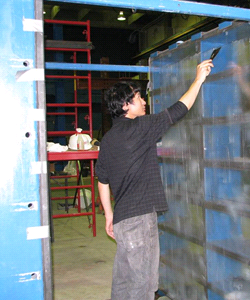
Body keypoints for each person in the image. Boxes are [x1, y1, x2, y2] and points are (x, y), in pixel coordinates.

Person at [95, 59, 214, 300]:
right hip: (139, 220)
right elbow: (180, 109)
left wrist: (109, 215)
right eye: (138, 98)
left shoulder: (107, 139)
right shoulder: (140, 127)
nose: (143, 101)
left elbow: (102, 180)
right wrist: (198, 79)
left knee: (124, 279)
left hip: (123, 219)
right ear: (127, 105)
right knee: (143, 284)